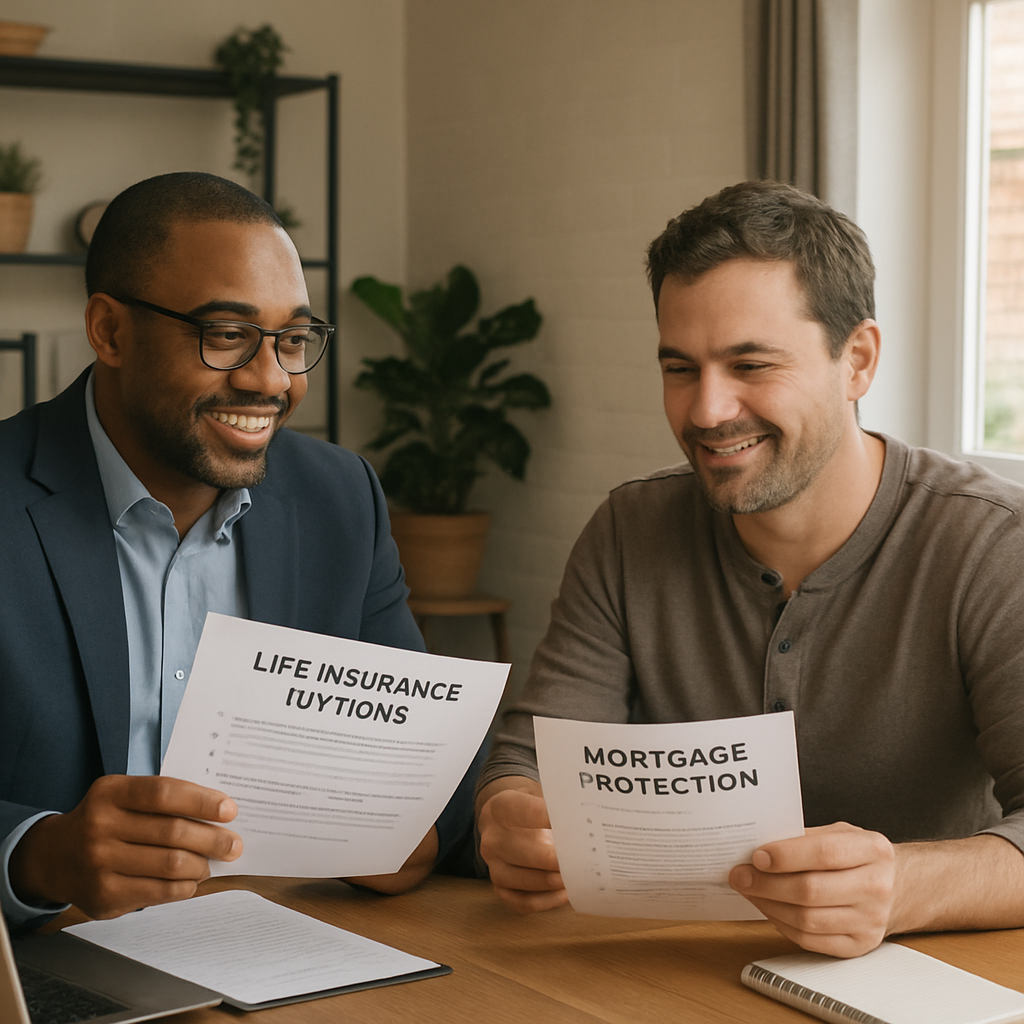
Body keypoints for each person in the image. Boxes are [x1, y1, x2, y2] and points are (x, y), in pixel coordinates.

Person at [475, 180, 1024, 958]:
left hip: (930, 985)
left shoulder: (994, 544)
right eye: (679, 368)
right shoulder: (628, 529)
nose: (705, 411)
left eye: (751, 364)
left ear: (857, 359)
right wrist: (513, 815)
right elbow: (532, 760)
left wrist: (900, 885)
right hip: (671, 974)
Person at [0, 171, 481, 930]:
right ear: (110, 331)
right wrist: (37, 854)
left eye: (292, 340)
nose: (272, 381)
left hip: (285, 943)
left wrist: (405, 839)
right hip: (41, 962)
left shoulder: (340, 498)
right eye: (226, 336)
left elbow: (435, 778)